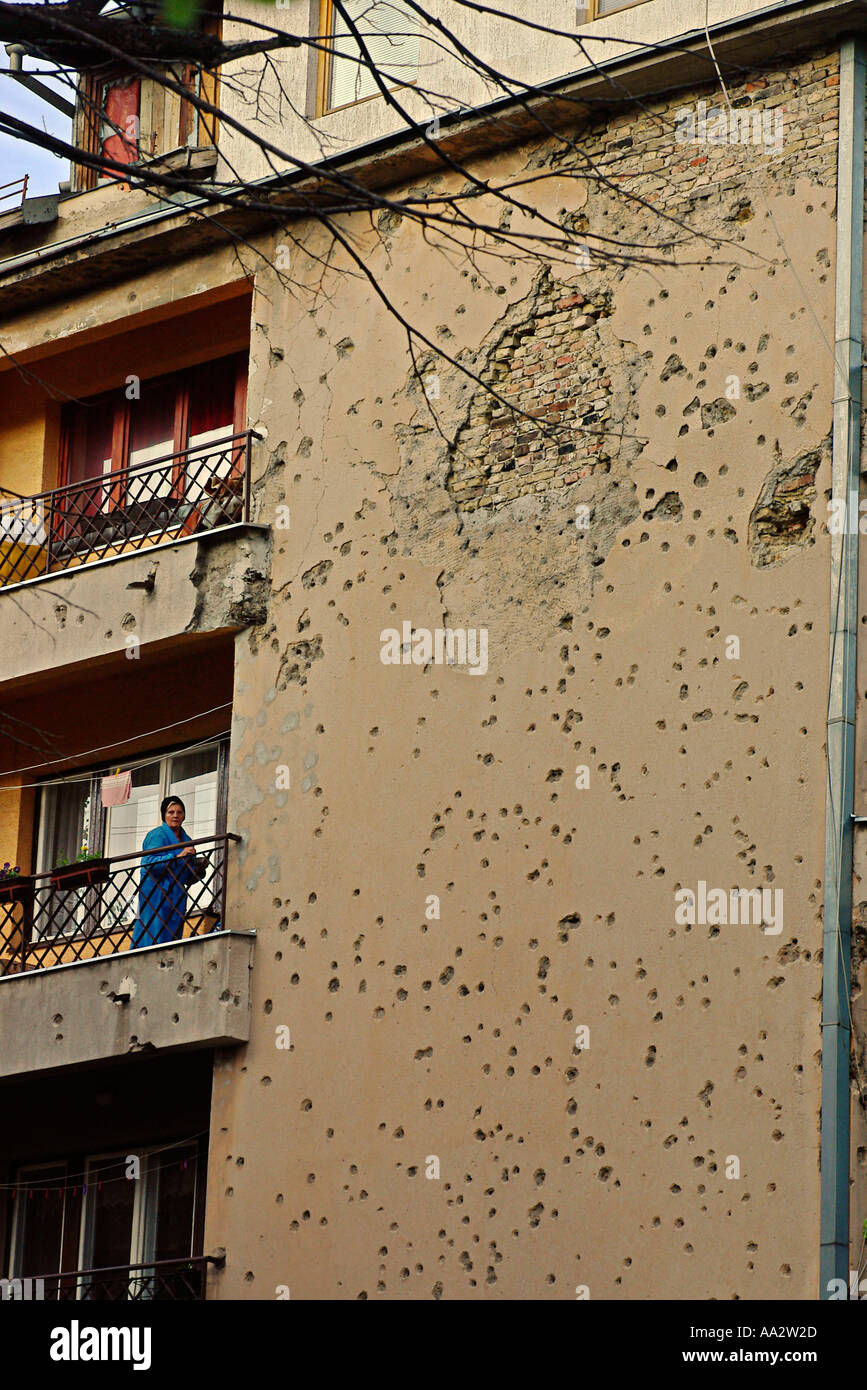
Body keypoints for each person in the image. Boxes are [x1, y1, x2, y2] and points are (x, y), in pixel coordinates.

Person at [132, 796, 199, 948]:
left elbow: (187, 877)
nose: (175, 815)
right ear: (164, 815)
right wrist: (177, 856)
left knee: (173, 935)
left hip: (177, 895)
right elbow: (149, 863)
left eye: (179, 812)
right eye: (171, 812)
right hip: (156, 892)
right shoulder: (157, 835)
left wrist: (198, 869)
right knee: (154, 932)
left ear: (184, 815)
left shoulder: (186, 839)